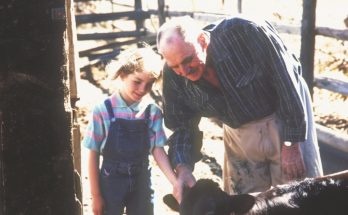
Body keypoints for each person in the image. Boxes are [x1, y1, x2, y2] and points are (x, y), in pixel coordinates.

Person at [156, 15, 323, 202]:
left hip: (283, 114)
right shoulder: (173, 76)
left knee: (297, 195)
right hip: (238, 129)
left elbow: (286, 81)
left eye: (188, 60)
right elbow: (181, 126)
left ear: (202, 41)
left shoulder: (246, 31)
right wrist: (183, 168)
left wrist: (292, 143)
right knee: (246, 202)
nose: (184, 71)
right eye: (175, 66)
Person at [82, 47, 177, 215]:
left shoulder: (152, 111)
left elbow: (157, 149)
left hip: (141, 180)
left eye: (149, 84)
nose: (142, 89)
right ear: (122, 75)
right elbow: (93, 154)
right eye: (137, 81)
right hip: (111, 181)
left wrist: (175, 182)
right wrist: (96, 195)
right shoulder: (103, 110)